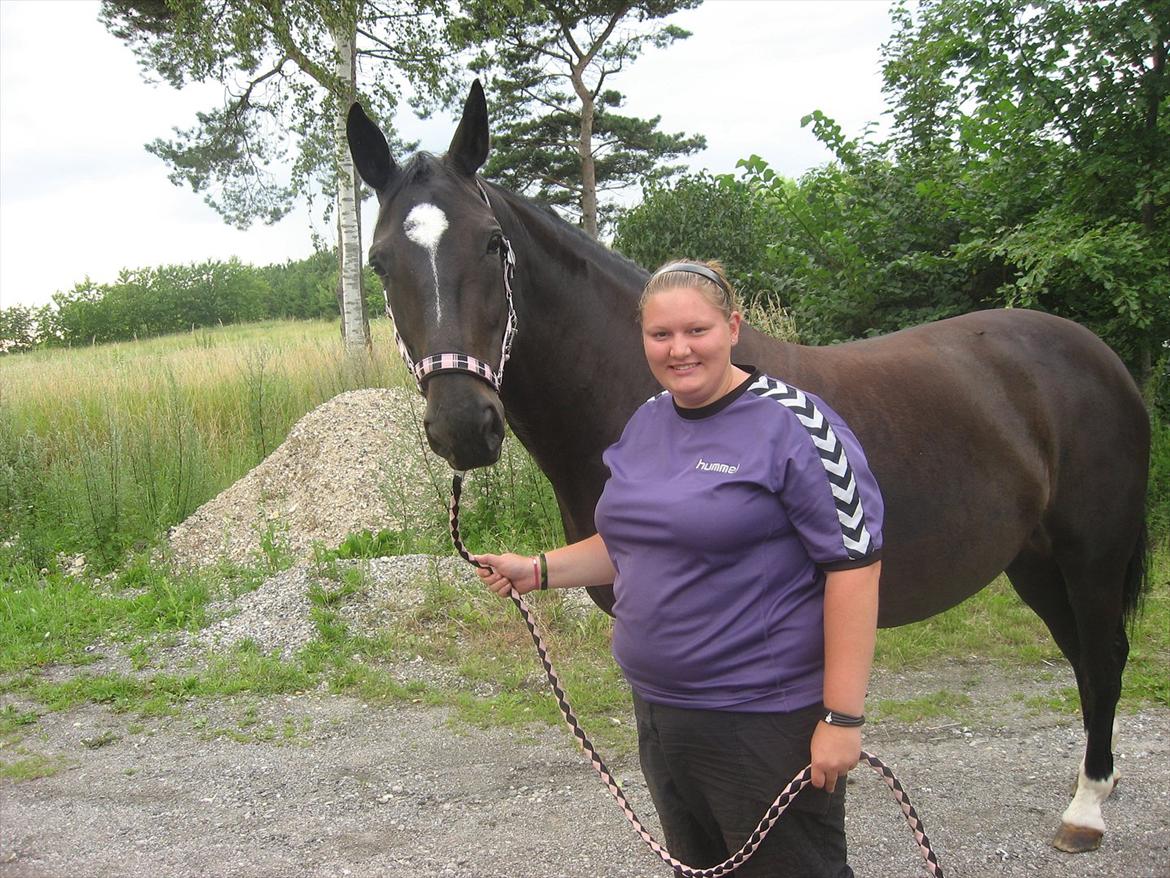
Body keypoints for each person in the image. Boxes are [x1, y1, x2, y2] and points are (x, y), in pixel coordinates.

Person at [475, 259, 882, 878]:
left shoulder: (797, 426)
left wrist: (841, 718)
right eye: (660, 335)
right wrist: (538, 569)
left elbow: (855, 568)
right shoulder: (648, 421)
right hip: (662, 713)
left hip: (763, 719)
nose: (679, 349)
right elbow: (631, 542)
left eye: (697, 330)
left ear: (734, 327)